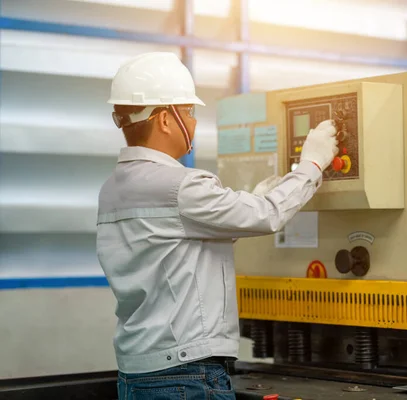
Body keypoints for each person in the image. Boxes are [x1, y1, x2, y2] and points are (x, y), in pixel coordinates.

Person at [96, 52, 338, 399]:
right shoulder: (180, 185)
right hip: (185, 375)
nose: (193, 122)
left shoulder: (113, 189)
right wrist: (312, 165)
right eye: (190, 112)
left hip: (137, 374)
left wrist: (249, 199)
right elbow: (267, 215)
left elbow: (181, 242)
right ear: (165, 119)